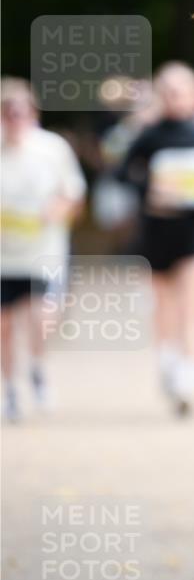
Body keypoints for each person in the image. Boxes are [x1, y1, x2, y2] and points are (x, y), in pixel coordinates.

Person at [116, 62, 194, 416]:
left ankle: (189, 378)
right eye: (169, 91)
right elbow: (121, 172)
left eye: (182, 90)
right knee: (164, 306)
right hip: (157, 233)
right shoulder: (149, 134)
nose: (175, 97)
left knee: (193, 306)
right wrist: (150, 190)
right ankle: (167, 361)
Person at [1, 77, 87, 422]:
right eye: (7, 112)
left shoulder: (51, 148)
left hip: (43, 253)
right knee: (5, 327)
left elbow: (74, 194)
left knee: (42, 320)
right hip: (5, 258)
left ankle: (37, 367)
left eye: (21, 111)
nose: (14, 118)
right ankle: (9, 387)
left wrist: (58, 211)